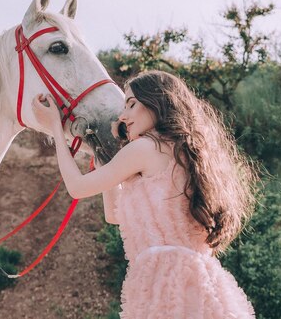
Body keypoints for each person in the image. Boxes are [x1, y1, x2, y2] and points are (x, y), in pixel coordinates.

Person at [32, 70, 257, 319]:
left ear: (157, 102)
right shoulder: (191, 155)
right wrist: (103, 159)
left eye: (131, 104)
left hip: (164, 280)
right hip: (199, 284)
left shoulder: (145, 149)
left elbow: (76, 187)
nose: (123, 115)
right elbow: (114, 215)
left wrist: (54, 124)